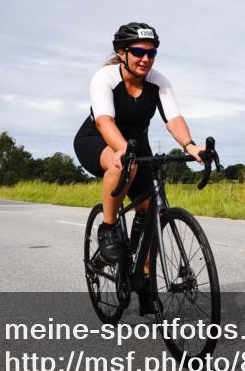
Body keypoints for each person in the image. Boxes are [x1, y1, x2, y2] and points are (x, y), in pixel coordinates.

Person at [73, 22, 203, 282]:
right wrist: (120, 149)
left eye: (152, 53)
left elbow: (173, 118)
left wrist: (190, 145)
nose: (146, 59)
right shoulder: (106, 78)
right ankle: (109, 229)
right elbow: (104, 121)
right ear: (123, 52)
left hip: (136, 142)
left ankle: (143, 275)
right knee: (123, 164)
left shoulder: (158, 82)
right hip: (97, 139)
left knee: (152, 208)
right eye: (139, 52)